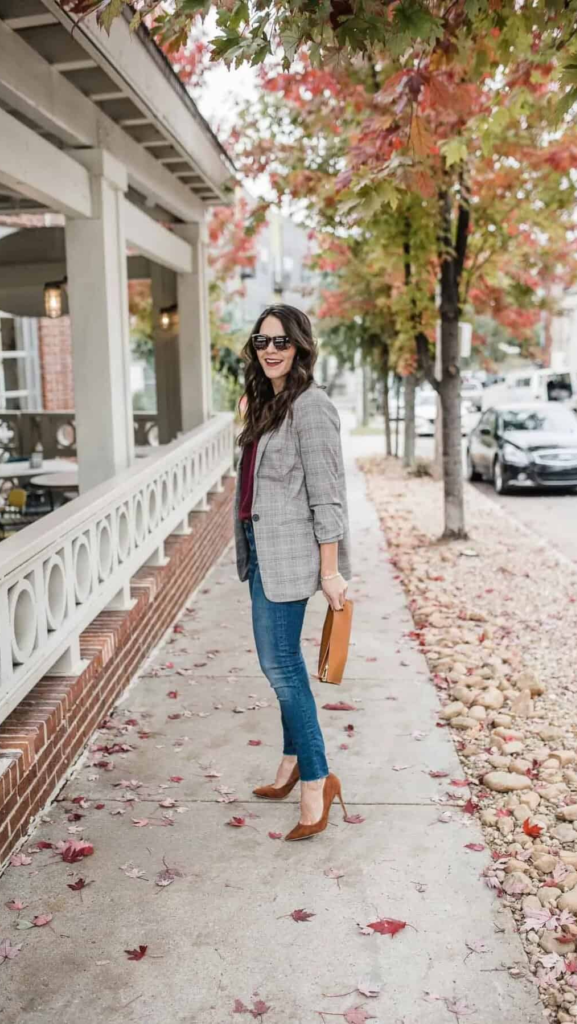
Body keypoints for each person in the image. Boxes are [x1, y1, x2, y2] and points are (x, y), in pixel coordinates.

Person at [233, 304, 352, 842]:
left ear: (301, 347)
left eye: (281, 342)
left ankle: (317, 778)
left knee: (279, 665)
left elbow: (328, 497)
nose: (271, 350)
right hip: (262, 552)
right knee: (284, 663)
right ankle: (289, 761)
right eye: (262, 342)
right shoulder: (268, 404)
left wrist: (331, 571)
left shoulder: (312, 406)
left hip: (295, 559)